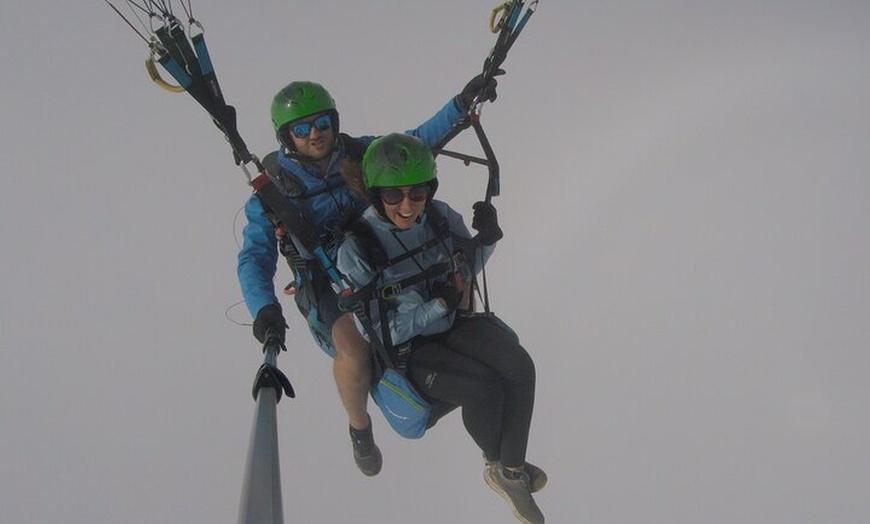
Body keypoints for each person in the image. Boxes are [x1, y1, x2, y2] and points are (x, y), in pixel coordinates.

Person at [237, 75, 499, 477]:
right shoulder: (273, 192)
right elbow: (255, 256)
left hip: (378, 251)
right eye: (301, 129)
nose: (315, 135)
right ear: (286, 137)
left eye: (321, 123)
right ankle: (359, 428)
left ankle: (465, 361)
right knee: (356, 348)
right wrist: (264, 309)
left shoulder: (360, 153)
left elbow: (416, 143)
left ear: (334, 121)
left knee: (454, 278)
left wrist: (461, 104)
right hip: (326, 278)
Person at [335, 133, 546, 524]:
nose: (407, 206)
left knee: (520, 366)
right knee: (483, 387)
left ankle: (511, 469)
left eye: (417, 194)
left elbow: (464, 266)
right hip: (411, 348)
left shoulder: (437, 216)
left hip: (451, 323)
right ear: (376, 194)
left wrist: (487, 240)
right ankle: (500, 463)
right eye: (394, 195)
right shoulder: (357, 248)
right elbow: (377, 332)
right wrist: (439, 305)